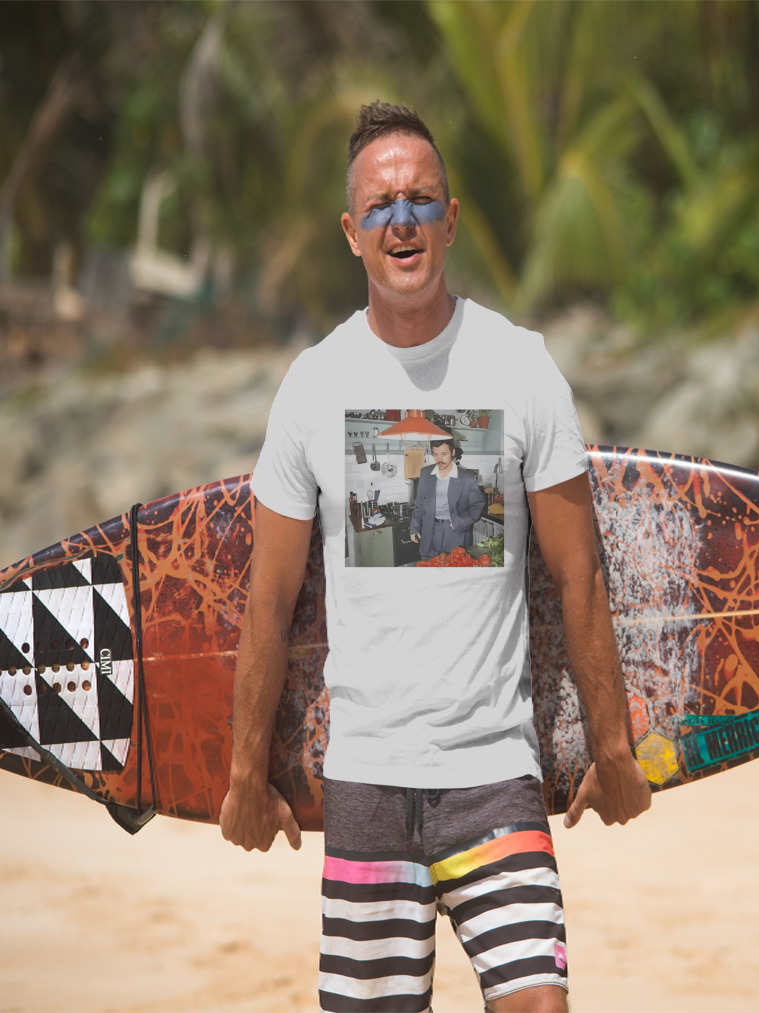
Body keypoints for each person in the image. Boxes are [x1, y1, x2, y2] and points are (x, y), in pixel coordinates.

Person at [220, 100, 651, 1013]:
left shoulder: (522, 367)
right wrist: (242, 773)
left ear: (451, 219)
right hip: (368, 779)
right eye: (380, 206)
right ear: (351, 232)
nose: (402, 220)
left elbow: (580, 574)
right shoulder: (315, 386)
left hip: (495, 773)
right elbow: (269, 600)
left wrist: (612, 746)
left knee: (540, 1003)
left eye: (421, 200)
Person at [410, 437, 483, 559]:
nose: (439, 459)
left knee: (455, 568)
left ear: (453, 452)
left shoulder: (467, 478)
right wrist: (414, 527)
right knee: (429, 567)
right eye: (435, 454)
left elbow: (477, 506)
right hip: (429, 530)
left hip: (455, 532)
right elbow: (419, 504)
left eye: (444, 454)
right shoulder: (425, 473)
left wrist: (458, 522)